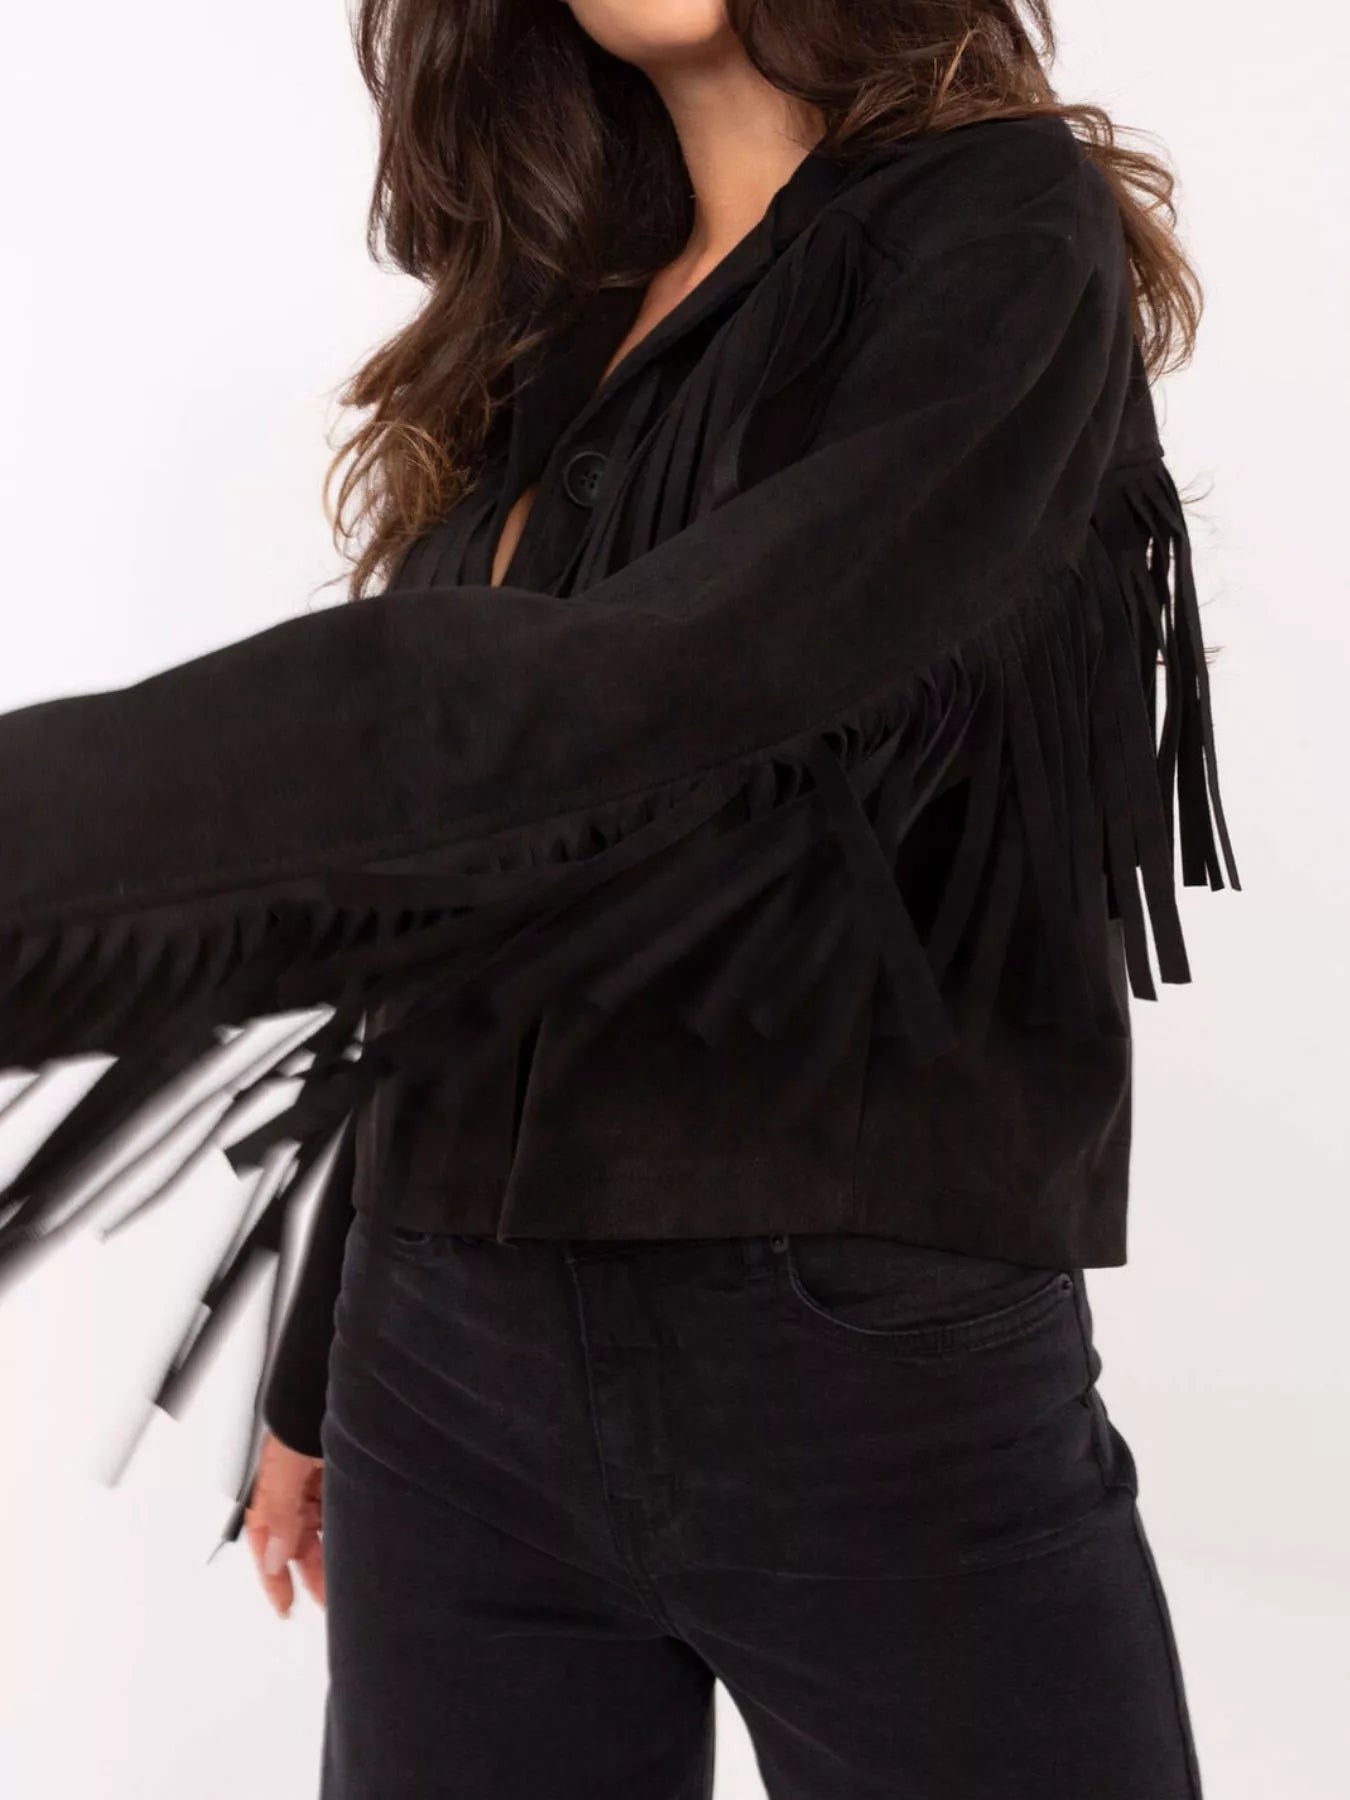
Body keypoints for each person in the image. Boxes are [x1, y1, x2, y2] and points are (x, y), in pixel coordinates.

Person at [0, 3, 1238, 1796]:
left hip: (845, 1356)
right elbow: (470, 909)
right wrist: (326, 1355)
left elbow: (672, 694)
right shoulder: (548, 316)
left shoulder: (994, 224)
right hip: (441, 1361)